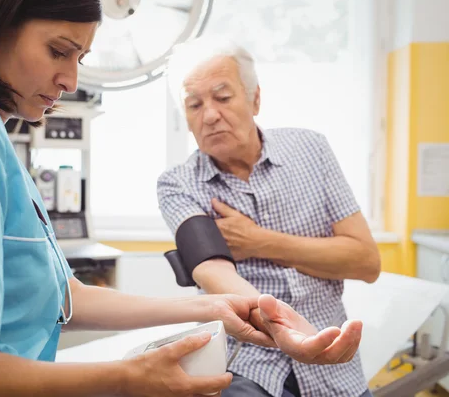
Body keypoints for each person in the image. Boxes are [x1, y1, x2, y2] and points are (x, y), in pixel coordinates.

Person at [0, 0, 364, 396]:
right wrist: (125, 377)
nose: (71, 80)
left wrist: (214, 306)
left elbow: (65, 297)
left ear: (255, 98)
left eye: (80, 57)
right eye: (58, 51)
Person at [158, 35, 381, 397]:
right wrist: (283, 328)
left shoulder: (312, 149)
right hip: (247, 365)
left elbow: (366, 261)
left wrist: (260, 242)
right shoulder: (177, 185)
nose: (210, 115)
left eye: (223, 97)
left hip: (333, 368)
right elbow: (212, 270)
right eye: (194, 104)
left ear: (255, 99)